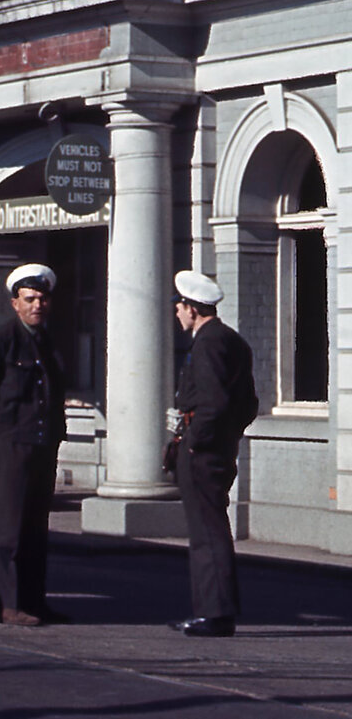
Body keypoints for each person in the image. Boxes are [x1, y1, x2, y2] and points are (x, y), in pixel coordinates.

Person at [0, 263, 67, 627]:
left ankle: (35, 602)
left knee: (35, 529)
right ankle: (8, 604)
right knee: (7, 529)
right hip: (9, 445)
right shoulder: (0, 339)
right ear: (15, 304)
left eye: (42, 299)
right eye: (30, 299)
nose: (38, 305)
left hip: (40, 446)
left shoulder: (47, 341)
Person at [169, 270, 258, 638]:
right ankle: (215, 609)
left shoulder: (205, 343)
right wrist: (227, 439)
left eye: (180, 305)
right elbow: (248, 404)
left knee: (206, 533)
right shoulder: (232, 341)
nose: (176, 310)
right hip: (219, 449)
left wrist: (194, 443)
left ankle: (214, 614)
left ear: (192, 308)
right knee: (213, 528)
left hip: (202, 452)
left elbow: (213, 403)